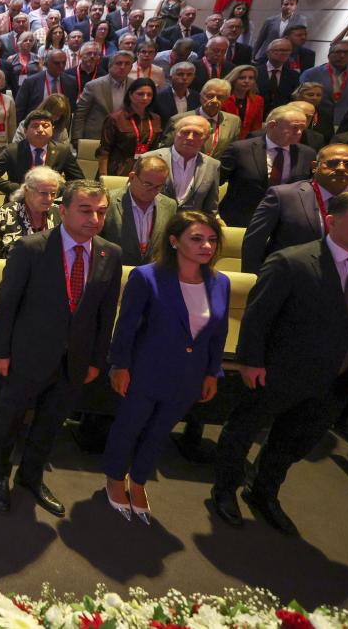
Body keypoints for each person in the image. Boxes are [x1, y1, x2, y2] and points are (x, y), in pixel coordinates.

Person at [212, 190, 348, 536]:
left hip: (337, 379)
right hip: (278, 371)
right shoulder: (293, 261)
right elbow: (258, 319)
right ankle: (224, 491)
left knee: (295, 442)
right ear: (333, 222)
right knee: (242, 432)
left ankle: (263, 491)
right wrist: (250, 362)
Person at [0, 180, 123, 517]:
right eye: (86, 210)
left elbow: (106, 314)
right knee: (10, 421)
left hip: (74, 361)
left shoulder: (110, 253)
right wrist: (1, 352)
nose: (94, 218)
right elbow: (6, 306)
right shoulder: (31, 248)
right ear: (62, 211)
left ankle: (30, 477)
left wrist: (96, 360)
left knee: (50, 425)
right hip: (27, 355)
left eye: (101, 212)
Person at [104, 210, 228, 523]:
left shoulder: (220, 282)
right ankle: (115, 477)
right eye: (197, 239)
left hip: (189, 374)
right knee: (129, 427)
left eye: (212, 240)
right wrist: (120, 365)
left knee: (159, 432)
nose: (207, 246)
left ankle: (140, 479)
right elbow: (127, 327)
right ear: (174, 241)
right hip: (146, 369)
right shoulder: (147, 276)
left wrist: (213, 371)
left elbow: (218, 333)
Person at [241, 144, 348, 273]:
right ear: (315, 167)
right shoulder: (284, 196)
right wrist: (254, 279)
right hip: (290, 278)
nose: (341, 168)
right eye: (333, 163)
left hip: (346, 278)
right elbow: (254, 242)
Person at [218, 105, 314, 228]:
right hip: (240, 220)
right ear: (272, 125)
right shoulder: (240, 149)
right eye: (294, 128)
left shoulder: (307, 153)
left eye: (302, 128)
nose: (299, 133)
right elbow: (215, 182)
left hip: (285, 222)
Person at [0, 109, 84, 194]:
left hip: (51, 202)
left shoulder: (63, 151)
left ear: (52, 129)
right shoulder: (12, 150)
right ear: (25, 130)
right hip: (19, 201)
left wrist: (58, 188)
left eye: (45, 126)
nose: (40, 130)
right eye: (35, 126)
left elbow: (79, 181)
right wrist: (20, 188)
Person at [101, 155, 177, 266]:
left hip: (153, 274)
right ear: (132, 177)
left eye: (158, 187)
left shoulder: (170, 205)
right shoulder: (107, 202)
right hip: (115, 273)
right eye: (148, 184)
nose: (153, 191)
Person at [144, 114, 222, 216]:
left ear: (206, 138)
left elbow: (210, 209)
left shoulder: (212, 165)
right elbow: (133, 196)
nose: (190, 138)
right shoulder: (149, 158)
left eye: (197, 134)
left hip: (190, 227)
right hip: (152, 223)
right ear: (175, 133)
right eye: (185, 132)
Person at [0, 166, 63, 258]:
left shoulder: (60, 213)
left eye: (53, 193)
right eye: (43, 193)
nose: (49, 198)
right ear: (27, 190)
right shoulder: (6, 213)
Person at [96, 79, 162, 177]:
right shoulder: (115, 118)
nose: (145, 98)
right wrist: (103, 177)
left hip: (143, 169)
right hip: (117, 170)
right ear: (130, 95)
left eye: (149, 95)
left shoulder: (155, 119)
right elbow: (104, 151)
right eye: (140, 94)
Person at [222, 64, 264, 140]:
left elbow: (257, 126)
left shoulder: (258, 100)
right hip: (224, 140)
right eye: (242, 78)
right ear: (234, 79)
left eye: (251, 78)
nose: (247, 81)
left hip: (246, 142)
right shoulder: (223, 98)